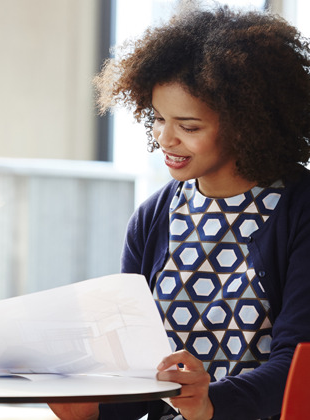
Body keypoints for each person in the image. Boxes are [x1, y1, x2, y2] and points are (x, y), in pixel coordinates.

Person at [50, 4, 310, 420]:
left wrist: (210, 404)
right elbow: (141, 379)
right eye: (157, 119)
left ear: (247, 124)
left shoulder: (299, 210)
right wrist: (90, 406)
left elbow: (300, 367)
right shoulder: (154, 217)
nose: (165, 139)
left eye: (189, 127)